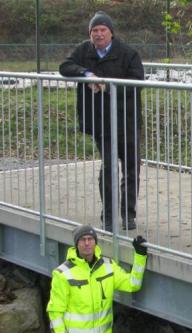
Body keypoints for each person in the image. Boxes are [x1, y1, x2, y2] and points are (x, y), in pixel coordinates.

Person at [60, 11, 145, 231]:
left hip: (126, 120)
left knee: (131, 168)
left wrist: (109, 86)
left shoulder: (128, 53)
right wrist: (86, 74)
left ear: (111, 33)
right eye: (94, 31)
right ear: (90, 34)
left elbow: (137, 81)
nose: (99, 34)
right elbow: (65, 67)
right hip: (102, 123)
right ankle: (108, 216)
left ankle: (128, 214)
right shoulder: (84, 51)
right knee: (108, 168)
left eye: (102, 30)